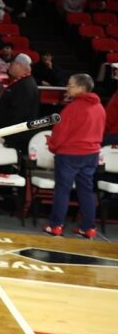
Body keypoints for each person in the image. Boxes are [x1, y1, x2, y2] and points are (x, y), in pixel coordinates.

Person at [44, 74, 105, 239]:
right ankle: (88, 228)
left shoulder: (72, 108)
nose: (67, 88)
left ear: (81, 88)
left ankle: (56, 226)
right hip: (91, 154)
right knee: (86, 191)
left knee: (62, 190)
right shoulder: (100, 108)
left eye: (70, 85)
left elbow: (60, 134)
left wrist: (52, 145)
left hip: (70, 154)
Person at [0, 54, 40, 152]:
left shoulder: (24, 85)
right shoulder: (25, 83)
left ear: (19, 65)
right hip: (12, 134)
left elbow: (19, 113)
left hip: (13, 137)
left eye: (11, 64)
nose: (9, 67)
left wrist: (6, 133)